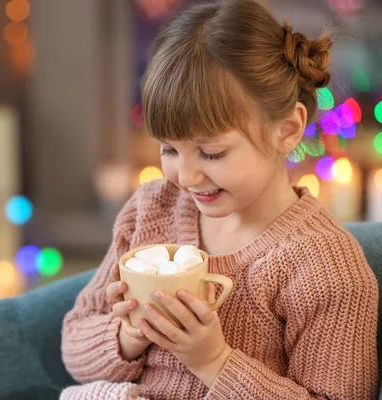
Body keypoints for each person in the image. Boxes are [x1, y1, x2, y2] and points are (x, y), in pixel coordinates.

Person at [59, 0, 379, 398]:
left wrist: (213, 360)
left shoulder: (325, 269)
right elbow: (75, 346)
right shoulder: (151, 210)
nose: (186, 177)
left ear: (288, 128)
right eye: (169, 150)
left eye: (212, 153)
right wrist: (129, 333)